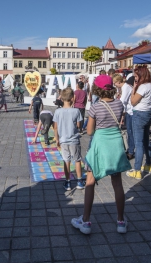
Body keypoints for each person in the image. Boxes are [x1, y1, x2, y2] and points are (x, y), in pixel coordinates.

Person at [71, 75, 131, 235]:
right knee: (117, 183)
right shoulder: (119, 104)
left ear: (96, 89)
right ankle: (120, 221)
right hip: (115, 145)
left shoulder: (95, 107)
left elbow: (90, 131)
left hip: (99, 145)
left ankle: (86, 221)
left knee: (90, 181)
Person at [126, 65, 151, 180]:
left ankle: (137, 170)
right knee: (146, 141)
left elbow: (133, 102)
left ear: (141, 75)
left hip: (139, 114)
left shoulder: (143, 86)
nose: (135, 78)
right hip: (148, 113)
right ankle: (148, 165)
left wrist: (134, 89)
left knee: (138, 143)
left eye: (136, 76)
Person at [53, 87, 84, 191]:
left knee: (66, 161)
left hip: (63, 140)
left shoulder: (57, 111)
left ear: (61, 98)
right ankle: (79, 181)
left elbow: (55, 127)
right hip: (74, 139)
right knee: (77, 160)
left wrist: (57, 139)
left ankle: (68, 182)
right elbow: (79, 125)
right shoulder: (76, 111)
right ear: (72, 98)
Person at [119, 75, 135, 160]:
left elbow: (123, 101)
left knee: (130, 132)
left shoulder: (127, 87)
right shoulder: (127, 86)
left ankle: (131, 151)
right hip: (129, 111)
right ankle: (130, 150)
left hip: (131, 111)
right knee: (129, 132)